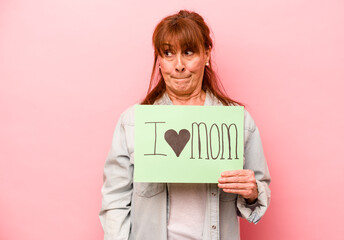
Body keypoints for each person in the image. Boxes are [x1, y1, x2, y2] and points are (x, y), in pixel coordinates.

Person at [99, 10, 271, 240]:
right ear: (159, 60)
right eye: (168, 53)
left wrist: (252, 191)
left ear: (207, 54)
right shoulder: (132, 123)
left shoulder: (237, 122)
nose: (178, 65)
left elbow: (258, 196)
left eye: (189, 52)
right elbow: (115, 201)